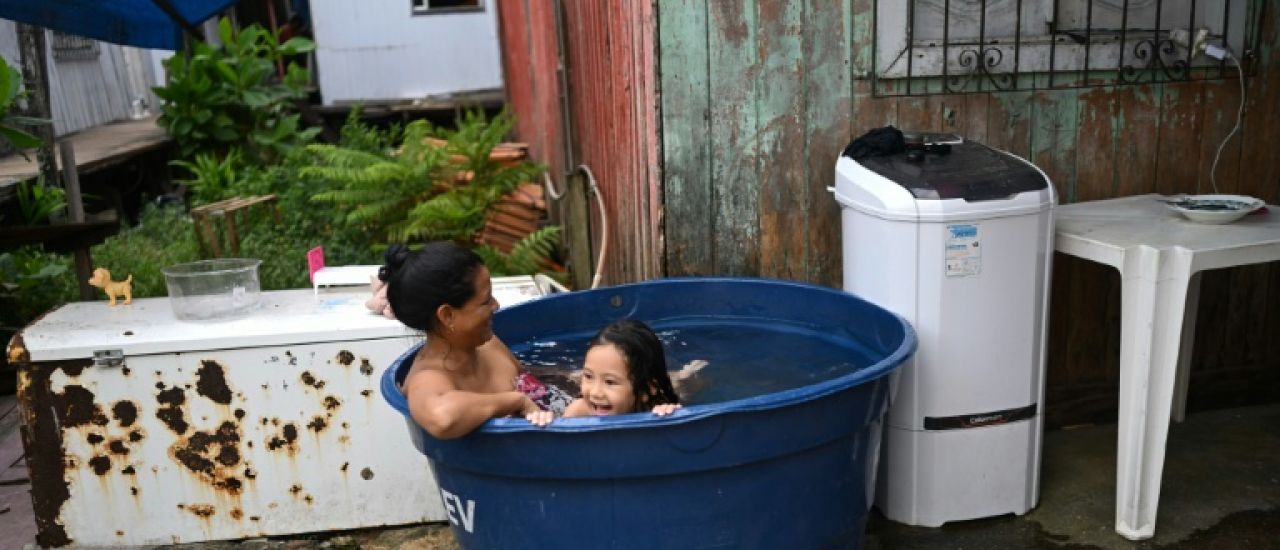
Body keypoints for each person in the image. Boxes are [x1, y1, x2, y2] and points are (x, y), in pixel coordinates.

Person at [389, 242, 561, 439]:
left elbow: (534, 381)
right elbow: (443, 418)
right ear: (447, 315)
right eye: (486, 300)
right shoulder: (428, 378)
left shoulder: (489, 344)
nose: (496, 305)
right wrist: (515, 402)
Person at [540, 320, 685, 422]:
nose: (595, 392)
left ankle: (685, 373)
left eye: (610, 382)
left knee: (684, 381)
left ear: (647, 390)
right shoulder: (579, 412)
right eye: (588, 376)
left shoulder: (655, 410)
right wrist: (543, 421)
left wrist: (672, 416)